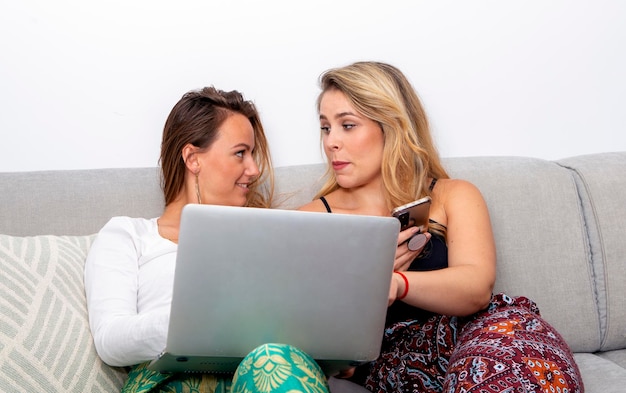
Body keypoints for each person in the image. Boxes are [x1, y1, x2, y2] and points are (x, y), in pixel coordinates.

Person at [299, 61, 584, 393]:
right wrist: (362, 290)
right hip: (398, 365)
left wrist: (396, 283)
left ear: (392, 126)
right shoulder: (310, 220)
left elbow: (476, 289)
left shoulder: (454, 195)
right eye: (325, 128)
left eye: (347, 125)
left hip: (484, 332)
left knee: (505, 366)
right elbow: (313, 340)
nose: (331, 141)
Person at [84, 87, 329, 393]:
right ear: (192, 158)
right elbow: (111, 340)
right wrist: (202, 317)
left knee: (274, 361)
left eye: (252, 154)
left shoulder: (268, 237)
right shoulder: (129, 235)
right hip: (171, 379)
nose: (253, 170)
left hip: (264, 373)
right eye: (240, 153)